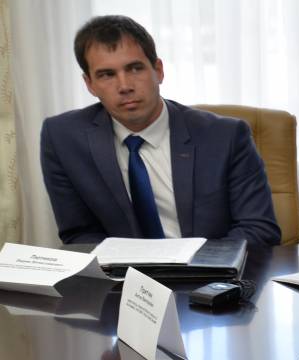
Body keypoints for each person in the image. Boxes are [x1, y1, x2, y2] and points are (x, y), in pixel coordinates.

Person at [40, 15, 281, 246]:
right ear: (90, 84)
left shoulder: (225, 136)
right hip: (123, 271)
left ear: (158, 70)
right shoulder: (63, 138)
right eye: (107, 75)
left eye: (135, 68)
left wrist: (193, 264)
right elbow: (79, 234)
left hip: (210, 269)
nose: (124, 86)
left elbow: (258, 229)